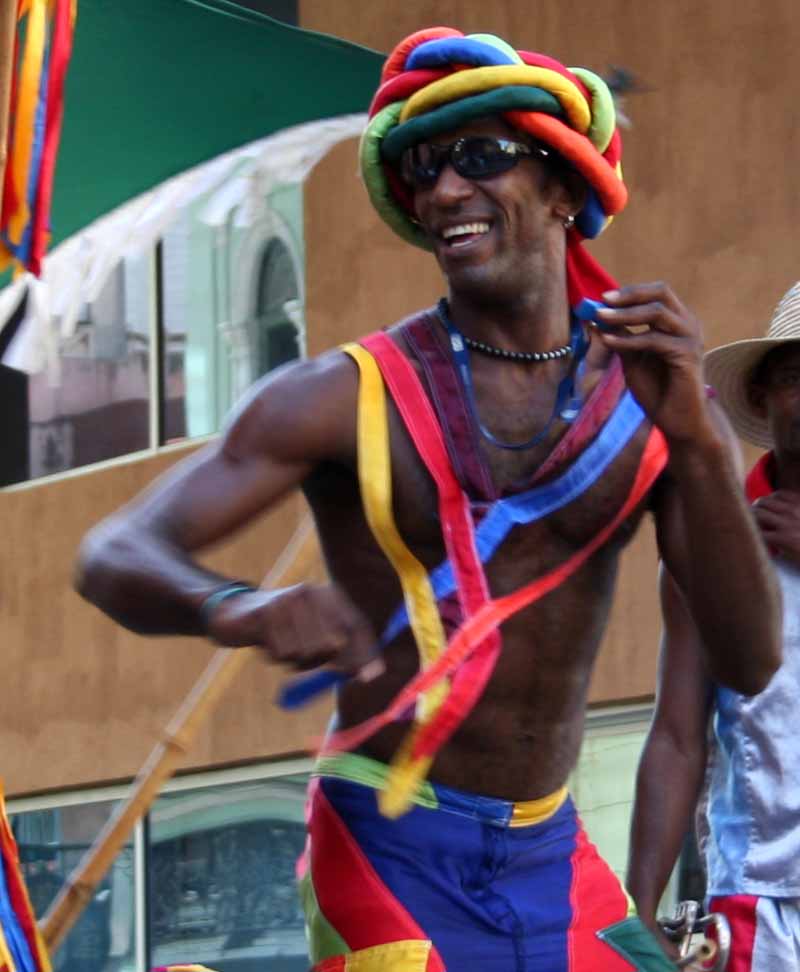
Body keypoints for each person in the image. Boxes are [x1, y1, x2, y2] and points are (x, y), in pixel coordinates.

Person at [76, 27, 781, 972]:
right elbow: (113, 552)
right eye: (424, 166)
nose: (445, 189)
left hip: (549, 848)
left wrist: (695, 435)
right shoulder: (337, 394)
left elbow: (750, 654)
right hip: (387, 843)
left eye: (482, 156)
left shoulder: (648, 398)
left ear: (565, 188)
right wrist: (237, 606)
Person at [627, 282, 800, 971]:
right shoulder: (714, 548)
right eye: (797, 375)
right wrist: (635, 910)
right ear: (759, 399)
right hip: (762, 909)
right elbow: (676, 736)